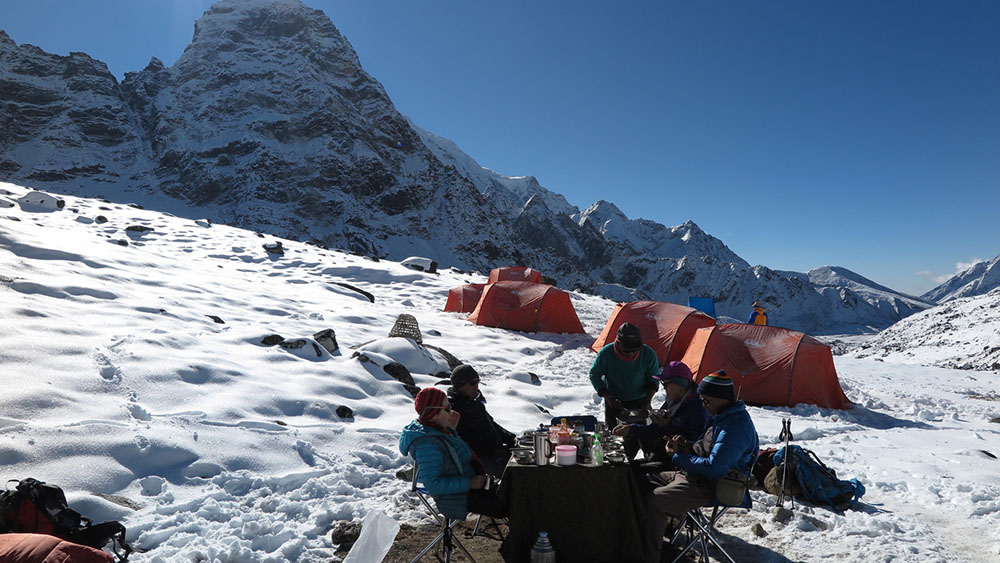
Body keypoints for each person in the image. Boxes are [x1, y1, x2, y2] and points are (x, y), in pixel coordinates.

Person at [642, 370, 759, 563]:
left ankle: (650, 557)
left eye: (706, 401)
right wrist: (688, 445)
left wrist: (678, 456)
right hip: (696, 477)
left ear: (721, 399)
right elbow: (708, 449)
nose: (703, 405)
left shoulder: (734, 427)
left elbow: (715, 468)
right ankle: (647, 542)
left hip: (715, 485)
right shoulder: (722, 416)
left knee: (655, 501)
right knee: (640, 481)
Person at [399, 387, 507, 520]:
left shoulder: (438, 431)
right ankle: (520, 540)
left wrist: (451, 431)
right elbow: (433, 484)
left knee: (517, 493)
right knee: (514, 504)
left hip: (468, 489)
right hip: (456, 497)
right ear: (433, 413)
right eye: (447, 408)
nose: (452, 411)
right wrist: (469, 483)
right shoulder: (427, 444)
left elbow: (453, 459)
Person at [612, 361, 708, 466]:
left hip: (684, 462)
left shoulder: (698, 407)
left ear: (679, 383)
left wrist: (667, 426)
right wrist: (630, 429)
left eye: (666, 384)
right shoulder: (673, 400)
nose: (664, 388)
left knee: (634, 471)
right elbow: (655, 430)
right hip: (665, 453)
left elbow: (695, 444)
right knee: (629, 467)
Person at [589, 322, 660, 459]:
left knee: (646, 439)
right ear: (618, 343)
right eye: (627, 350)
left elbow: (653, 379)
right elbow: (594, 375)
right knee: (616, 442)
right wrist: (607, 396)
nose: (631, 353)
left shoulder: (648, 354)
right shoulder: (607, 354)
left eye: (635, 350)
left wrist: (647, 400)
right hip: (615, 404)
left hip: (641, 402)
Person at [447, 364, 517, 478]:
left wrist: (512, 438)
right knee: (515, 473)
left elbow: (492, 424)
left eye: (477, 382)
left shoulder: (474, 402)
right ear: (460, 385)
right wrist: (494, 450)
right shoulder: (454, 409)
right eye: (472, 383)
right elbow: (464, 441)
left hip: (495, 452)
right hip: (478, 460)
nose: (476, 387)